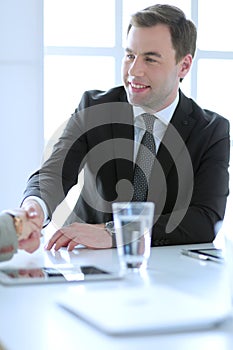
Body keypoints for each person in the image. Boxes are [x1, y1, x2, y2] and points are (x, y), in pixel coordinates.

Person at [2, 4, 230, 256]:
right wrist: (33, 210)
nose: (134, 71)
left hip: (164, 268)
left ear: (184, 66)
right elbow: (55, 172)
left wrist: (117, 232)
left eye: (150, 59)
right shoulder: (94, 107)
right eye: (130, 55)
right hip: (85, 259)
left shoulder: (211, 130)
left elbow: (204, 219)